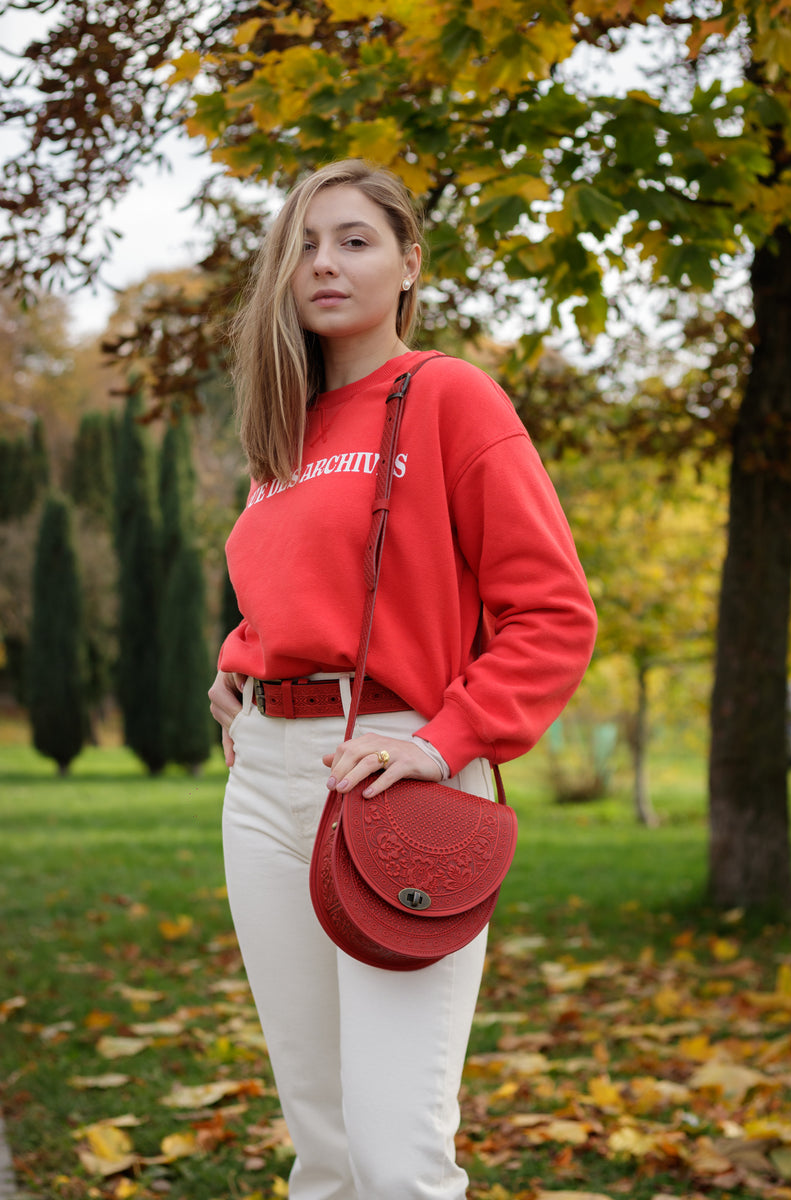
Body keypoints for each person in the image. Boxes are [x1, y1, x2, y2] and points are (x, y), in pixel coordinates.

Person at [208, 158, 597, 1200]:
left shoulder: (446, 398)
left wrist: (437, 740)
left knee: (396, 1155)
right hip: (265, 788)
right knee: (323, 1150)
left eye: (352, 240)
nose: (322, 263)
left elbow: (552, 613)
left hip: (400, 777)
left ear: (407, 264)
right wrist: (235, 667)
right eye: (302, 242)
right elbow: (286, 599)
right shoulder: (279, 437)